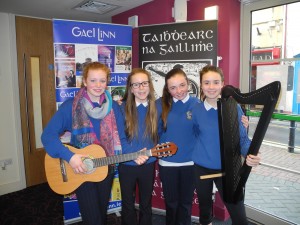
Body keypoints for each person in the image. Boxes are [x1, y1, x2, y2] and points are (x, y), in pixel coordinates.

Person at [41, 62, 146, 225]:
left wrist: (135, 155)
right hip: (81, 168)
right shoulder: (71, 106)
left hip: (106, 168)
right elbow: (48, 136)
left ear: (107, 82)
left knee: (101, 214)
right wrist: (71, 157)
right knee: (93, 219)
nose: (98, 85)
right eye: (93, 80)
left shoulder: (114, 108)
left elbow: (122, 139)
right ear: (84, 81)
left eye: (102, 81)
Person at [192, 65, 261, 225]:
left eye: (216, 82)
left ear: (222, 84)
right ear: (201, 85)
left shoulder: (234, 108)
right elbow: (194, 136)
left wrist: (252, 155)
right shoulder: (195, 110)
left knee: (239, 217)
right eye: (206, 82)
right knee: (204, 211)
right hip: (201, 168)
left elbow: (243, 140)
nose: (211, 87)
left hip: (228, 169)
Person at [114, 68, 160, 225]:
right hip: (127, 163)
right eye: (136, 84)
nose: (141, 88)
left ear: (149, 85)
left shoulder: (156, 108)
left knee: (146, 204)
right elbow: (119, 138)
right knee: (127, 204)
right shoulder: (121, 108)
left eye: (144, 83)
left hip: (147, 164)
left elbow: (160, 135)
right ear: (131, 88)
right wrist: (134, 155)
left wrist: (149, 153)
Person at [158, 68, 200, 225]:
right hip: (167, 163)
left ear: (188, 84)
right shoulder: (160, 104)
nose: (178, 91)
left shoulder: (197, 105)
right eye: (173, 87)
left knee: (185, 205)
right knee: (171, 204)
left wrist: (241, 123)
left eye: (182, 85)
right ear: (167, 89)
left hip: (190, 163)